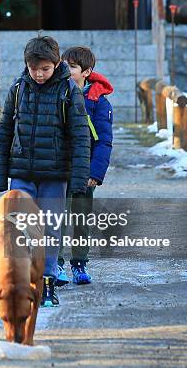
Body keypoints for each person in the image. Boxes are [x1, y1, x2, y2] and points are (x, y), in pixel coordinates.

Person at [0, 36, 90, 307]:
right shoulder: (19, 88)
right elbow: (4, 131)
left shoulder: (69, 92)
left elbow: (80, 136)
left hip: (55, 176)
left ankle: (47, 283)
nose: (38, 74)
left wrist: (79, 178)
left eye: (45, 69)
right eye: (34, 68)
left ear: (56, 64)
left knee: (49, 230)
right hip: (22, 171)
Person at [55, 46, 113, 286]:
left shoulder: (98, 103)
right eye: (64, 65)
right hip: (58, 168)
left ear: (87, 71)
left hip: (84, 171)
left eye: (72, 67)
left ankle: (79, 264)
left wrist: (95, 173)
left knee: (80, 219)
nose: (66, 70)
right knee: (55, 218)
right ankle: (55, 264)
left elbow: (104, 141)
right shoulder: (57, 93)